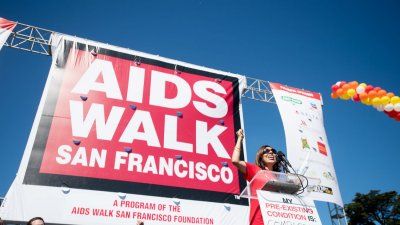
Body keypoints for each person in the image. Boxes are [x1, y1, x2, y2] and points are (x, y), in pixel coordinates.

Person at [231, 129, 281, 225]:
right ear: (261, 156)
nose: (271, 153)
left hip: (278, 219)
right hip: (259, 220)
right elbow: (235, 160)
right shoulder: (256, 170)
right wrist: (239, 139)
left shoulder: (280, 177)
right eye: (267, 151)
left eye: (273, 151)